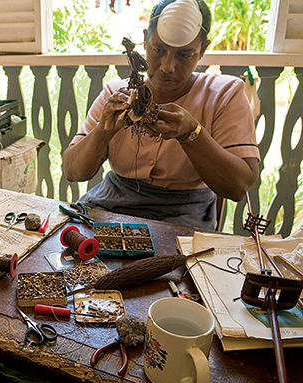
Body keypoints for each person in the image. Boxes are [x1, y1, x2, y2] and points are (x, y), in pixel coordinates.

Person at [62, 0, 260, 230]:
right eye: (158, 50)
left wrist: (191, 133)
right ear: (145, 39)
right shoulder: (117, 94)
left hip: (185, 211)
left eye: (184, 55)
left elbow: (238, 187)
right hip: (112, 201)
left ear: (203, 50)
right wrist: (101, 133)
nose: (167, 66)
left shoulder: (225, 94)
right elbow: (72, 170)